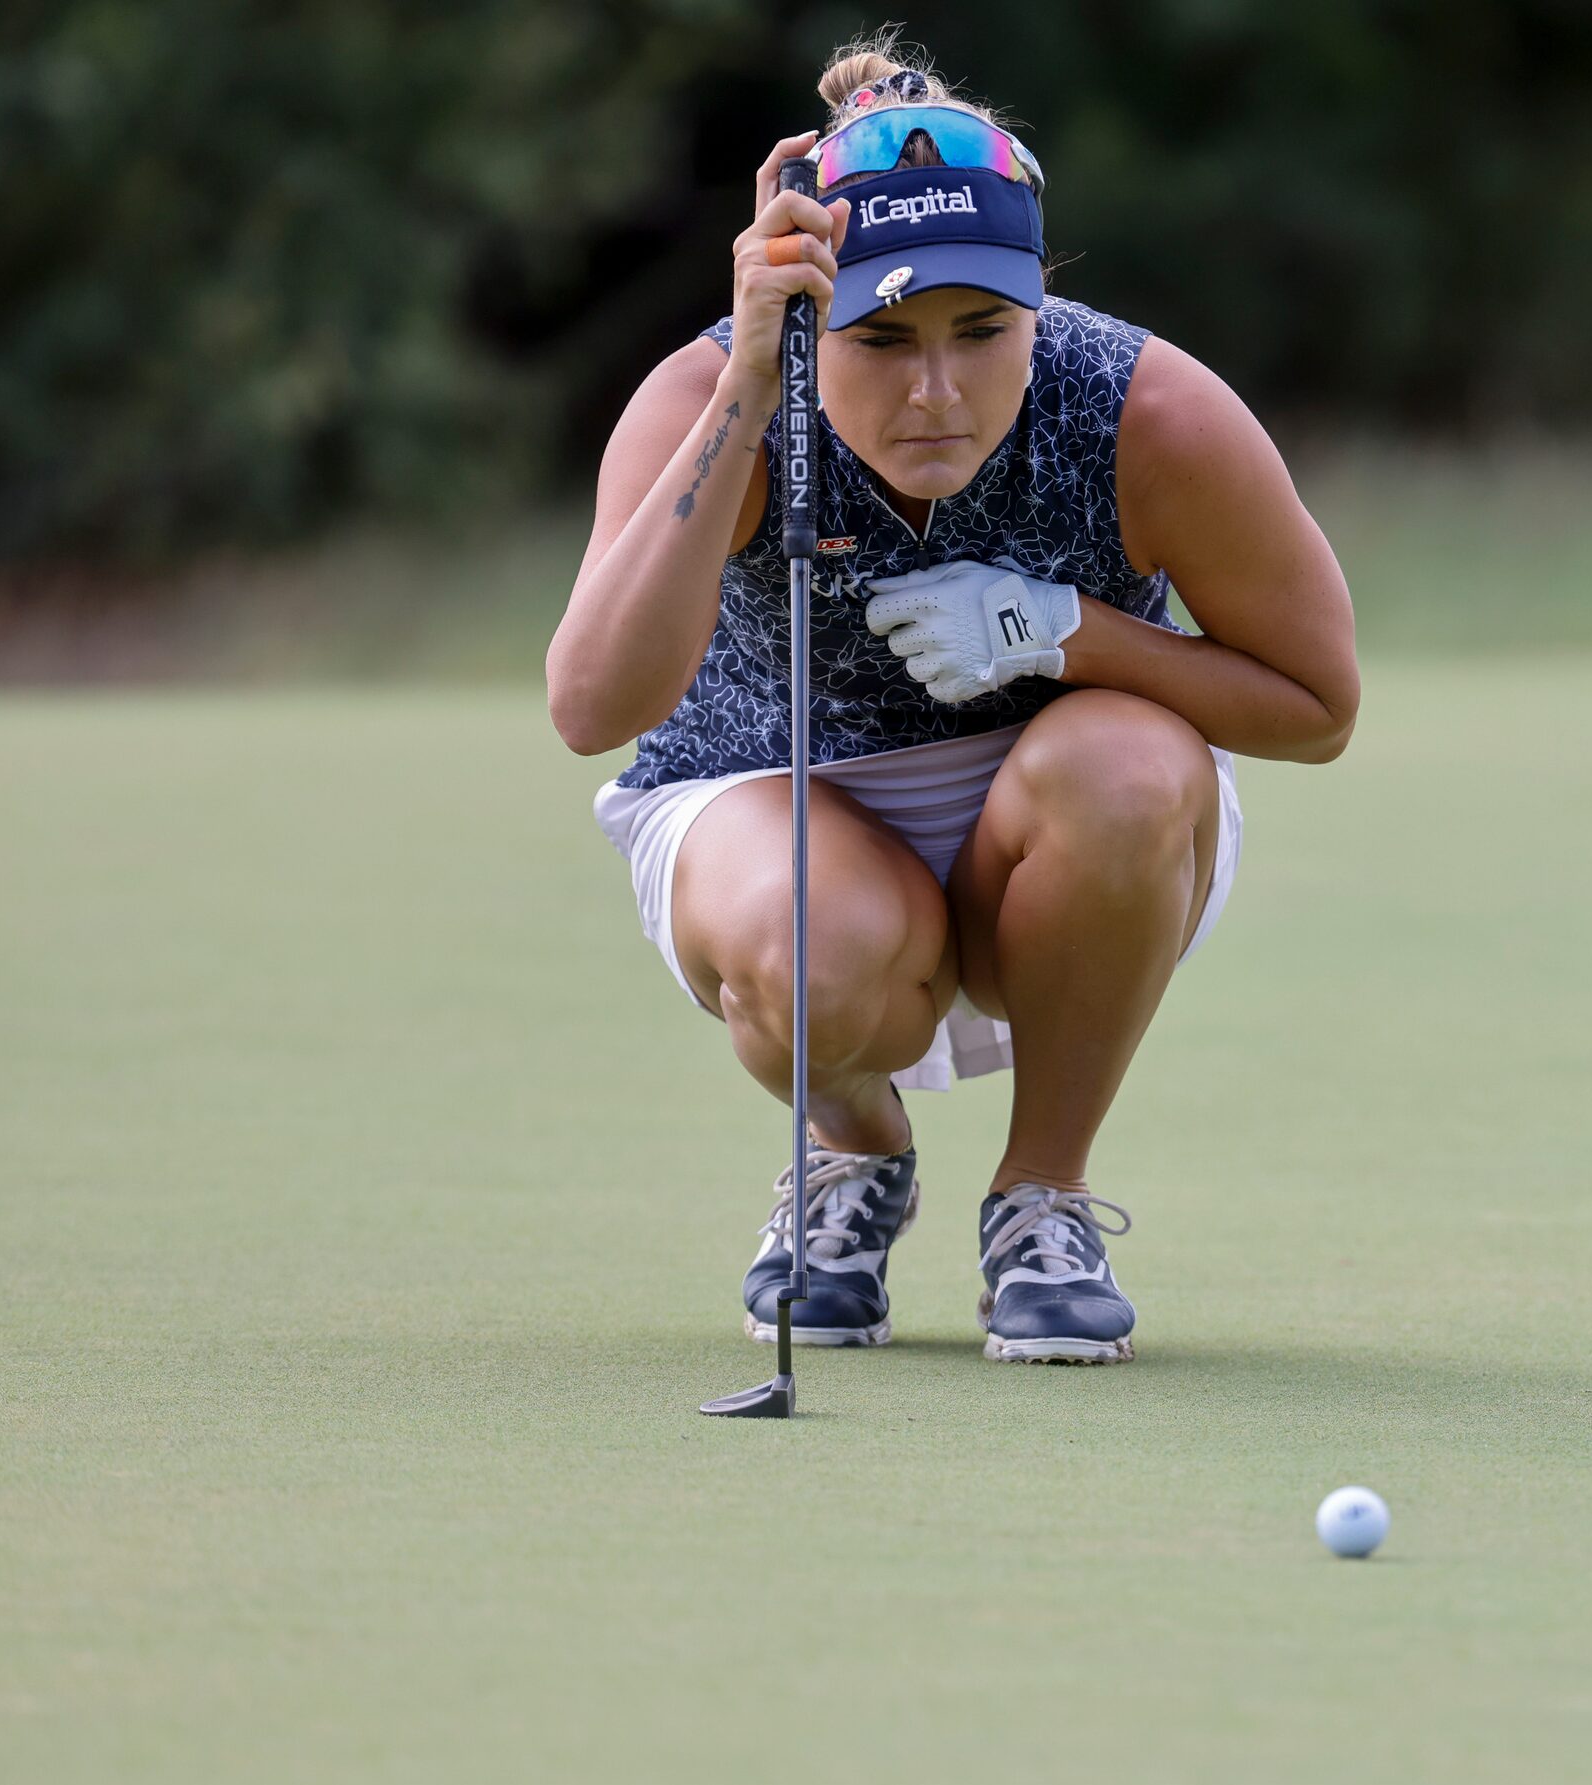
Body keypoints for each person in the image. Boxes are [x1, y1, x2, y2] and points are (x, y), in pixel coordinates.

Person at [547, 39, 1358, 1363]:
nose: (936, 391)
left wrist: (1071, 635)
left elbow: (1319, 704)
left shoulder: (1143, 409)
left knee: (1134, 769)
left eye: (983, 332)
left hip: (1051, 815)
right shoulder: (719, 394)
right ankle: (856, 1151)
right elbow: (590, 703)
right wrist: (752, 392)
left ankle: (1042, 1198)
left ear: (1038, 297)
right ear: (811, 309)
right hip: (770, 802)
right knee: (805, 939)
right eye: (882, 339)